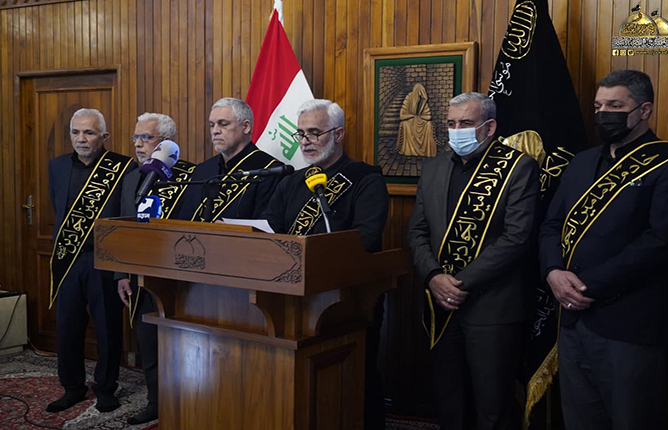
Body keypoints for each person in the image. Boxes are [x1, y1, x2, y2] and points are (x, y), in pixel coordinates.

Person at [540, 69, 668, 430]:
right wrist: (553, 272)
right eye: (598, 106)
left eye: (614, 106)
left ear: (644, 110)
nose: (603, 114)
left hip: (632, 325)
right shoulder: (581, 162)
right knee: (580, 420)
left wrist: (585, 286)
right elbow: (551, 224)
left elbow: (661, 242)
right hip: (572, 320)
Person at [407, 92, 540, 430]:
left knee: (492, 404)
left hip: (493, 307)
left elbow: (516, 238)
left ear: (489, 127)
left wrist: (457, 283)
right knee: (449, 399)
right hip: (440, 305)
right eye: (451, 124)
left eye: (465, 123)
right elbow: (417, 231)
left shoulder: (518, 168)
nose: (457, 131)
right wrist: (433, 277)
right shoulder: (434, 167)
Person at [262, 99, 389, 429]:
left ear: (338, 134)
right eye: (301, 133)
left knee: (355, 381)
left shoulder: (365, 179)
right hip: (290, 296)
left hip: (346, 300)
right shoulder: (291, 182)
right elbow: (271, 230)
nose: (305, 141)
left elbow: (366, 238)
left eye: (314, 133)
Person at [47, 108, 136, 413]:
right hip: (69, 258)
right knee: (67, 326)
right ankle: (72, 387)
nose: (81, 139)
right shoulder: (57, 166)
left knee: (108, 328)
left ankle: (106, 388)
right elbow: (58, 206)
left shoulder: (123, 167)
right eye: (76, 132)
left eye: (89, 132)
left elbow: (127, 216)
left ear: (104, 136)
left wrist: (123, 268)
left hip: (105, 260)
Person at [114, 112, 195, 425]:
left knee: (183, 348)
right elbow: (123, 229)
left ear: (167, 142)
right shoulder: (132, 178)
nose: (137, 144)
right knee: (148, 343)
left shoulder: (190, 176)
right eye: (135, 137)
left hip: (180, 279)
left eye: (145, 138)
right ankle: (156, 403)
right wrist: (121, 275)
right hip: (141, 276)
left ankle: (190, 404)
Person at [179, 97, 283, 222]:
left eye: (223, 124)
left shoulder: (270, 171)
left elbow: (263, 226)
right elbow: (184, 219)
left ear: (246, 127)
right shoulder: (203, 169)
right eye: (212, 125)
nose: (215, 131)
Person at [396, 83, 437, 157]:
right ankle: (409, 150)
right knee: (405, 124)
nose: (420, 96)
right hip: (410, 122)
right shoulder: (409, 98)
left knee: (428, 125)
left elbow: (428, 116)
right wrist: (412, 116)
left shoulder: (423, 102)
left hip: (421, 123)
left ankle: (426, 151)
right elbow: (402, 116)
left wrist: (418, 118)